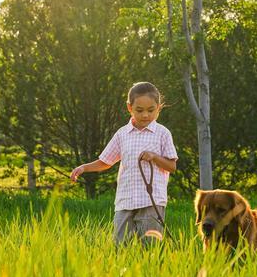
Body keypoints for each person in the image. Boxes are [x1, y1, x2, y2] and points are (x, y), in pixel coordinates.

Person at [70, 82, 178, 246]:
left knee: (150, 246)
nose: (145, 115)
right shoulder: (122, 134)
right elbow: (105, 161)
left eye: (151, 110)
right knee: (120, 246)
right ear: (130, 107)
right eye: (139, 110)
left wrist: (155, 157)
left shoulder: (162, 133)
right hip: (125, 200)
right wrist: (84, 167)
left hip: (151, 201)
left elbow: (172, 166)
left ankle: (151, 270)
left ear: (159, 108)